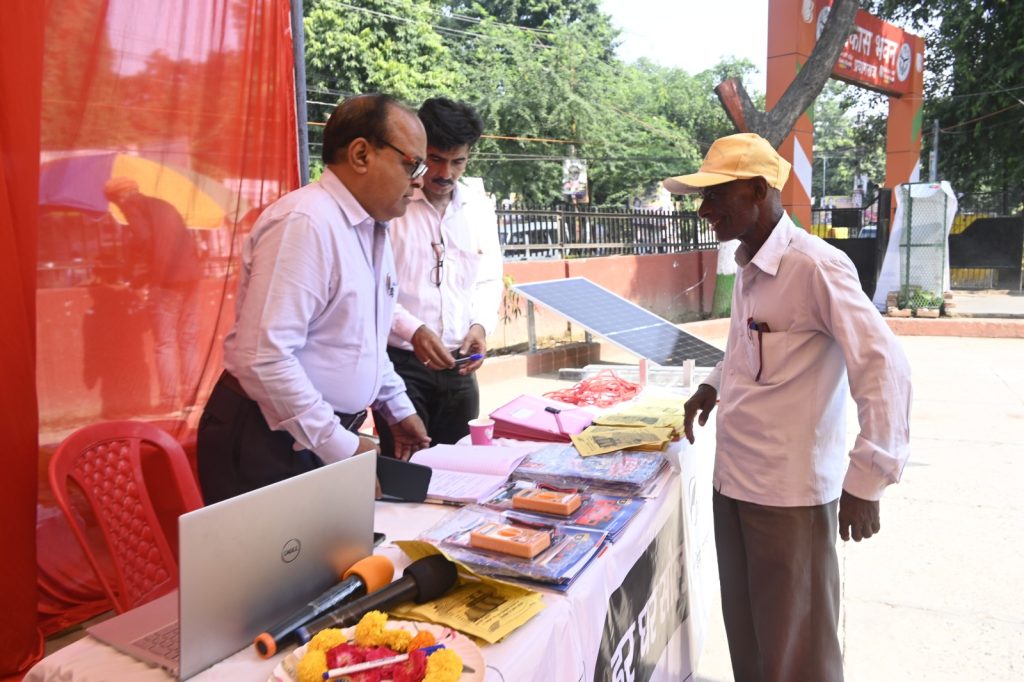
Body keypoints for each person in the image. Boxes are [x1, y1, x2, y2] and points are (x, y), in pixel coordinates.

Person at [666, 133, 912, 682]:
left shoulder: (815, 267)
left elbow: (884, 366)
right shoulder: (750, 263)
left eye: (715, 196)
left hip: (789, 499)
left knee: (798, 656)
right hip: (734, 484)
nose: (704, 210)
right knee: (752, 647)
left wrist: (867, 480)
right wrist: (712, 384)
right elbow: (748, 346)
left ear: (758, 190)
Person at [197, 93, 431, 504]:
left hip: (312, 431)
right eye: (412, 164)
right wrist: (338, 445)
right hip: (269, 438)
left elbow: (362, 339)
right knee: (276, 569)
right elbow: (264, 357)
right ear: (361, 154)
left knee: (329, 564)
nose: (419, 181)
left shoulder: (370, 229)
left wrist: (397, 406)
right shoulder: (305, 224)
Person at [374, 97, 504, 455]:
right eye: (435, 159)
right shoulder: (390, 206)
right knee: (408, 473)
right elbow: (376, 288)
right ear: (418, 153)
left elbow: (489, 277)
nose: (445, 173)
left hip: (460, 367)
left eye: (457, 161)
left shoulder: (478, 207)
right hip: (400, 367)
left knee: (462, 469)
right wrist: (413, 331)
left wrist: (479, 327)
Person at [103, 177, 201, 411]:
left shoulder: (132, 206)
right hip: (191, 276)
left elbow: (144, 238)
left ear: (120, 197)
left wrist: (135, 271)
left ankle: (169, 401)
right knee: (188, 339)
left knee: (164, 342)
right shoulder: (163, 205)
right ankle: (191, 399)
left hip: (166, 280)